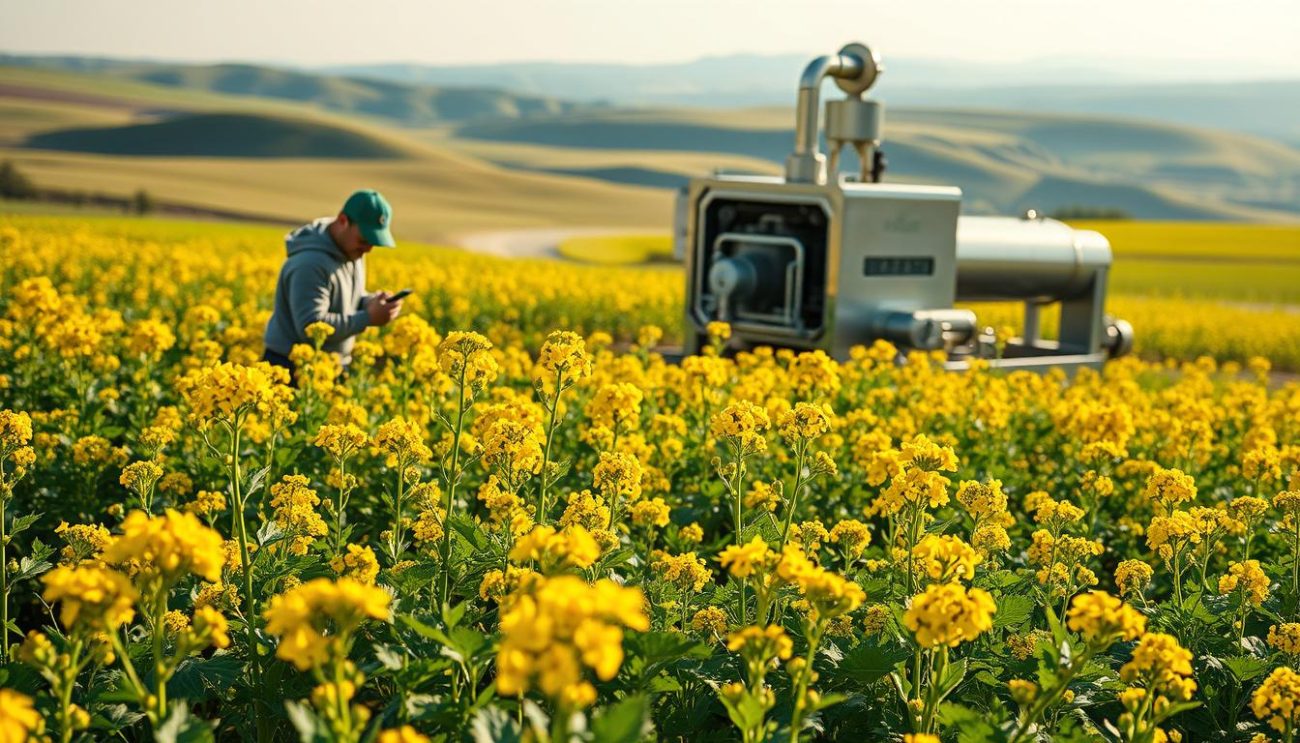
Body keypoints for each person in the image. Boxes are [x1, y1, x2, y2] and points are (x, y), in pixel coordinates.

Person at [262, 189, 404, 379]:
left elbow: (348, 298)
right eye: (364, 240)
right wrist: (368, 317)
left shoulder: (351, 251)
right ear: (343, 221)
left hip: (329, 368)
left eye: (373, 242)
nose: (368, 249)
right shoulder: (309, 263)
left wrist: (371, 302)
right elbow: (311, 327)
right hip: (290, 370)